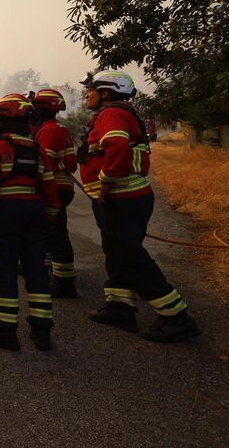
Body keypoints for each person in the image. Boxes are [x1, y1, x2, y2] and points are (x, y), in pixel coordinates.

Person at [78, 70, 201, 342]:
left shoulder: (110, 114)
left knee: (130, 256)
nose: (87, 94)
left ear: (106, 93)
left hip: (122, 199)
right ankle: (120, 307)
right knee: (117, 251)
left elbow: (118, 149)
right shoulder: (117, 113)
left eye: (92, 90)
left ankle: (176, 316)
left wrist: (106, 182)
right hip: (125, 199)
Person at [0, 93, 60, 351]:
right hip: (35, 213)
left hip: (6, 213)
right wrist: (51, 215)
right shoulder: (37, 149)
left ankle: (5, 332)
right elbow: (50, 187)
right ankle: (42, 332)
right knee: (36, 272)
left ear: (2, 120)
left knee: (6, 271)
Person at [31, 88, 79, 298]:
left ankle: (64, 282)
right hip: (61, 187)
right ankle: (49, 270)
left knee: (56, 233)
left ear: (40, 109)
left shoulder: (49, 131)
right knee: (49, 231)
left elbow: (44, 163)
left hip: (54, 187)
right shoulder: (53, 128)